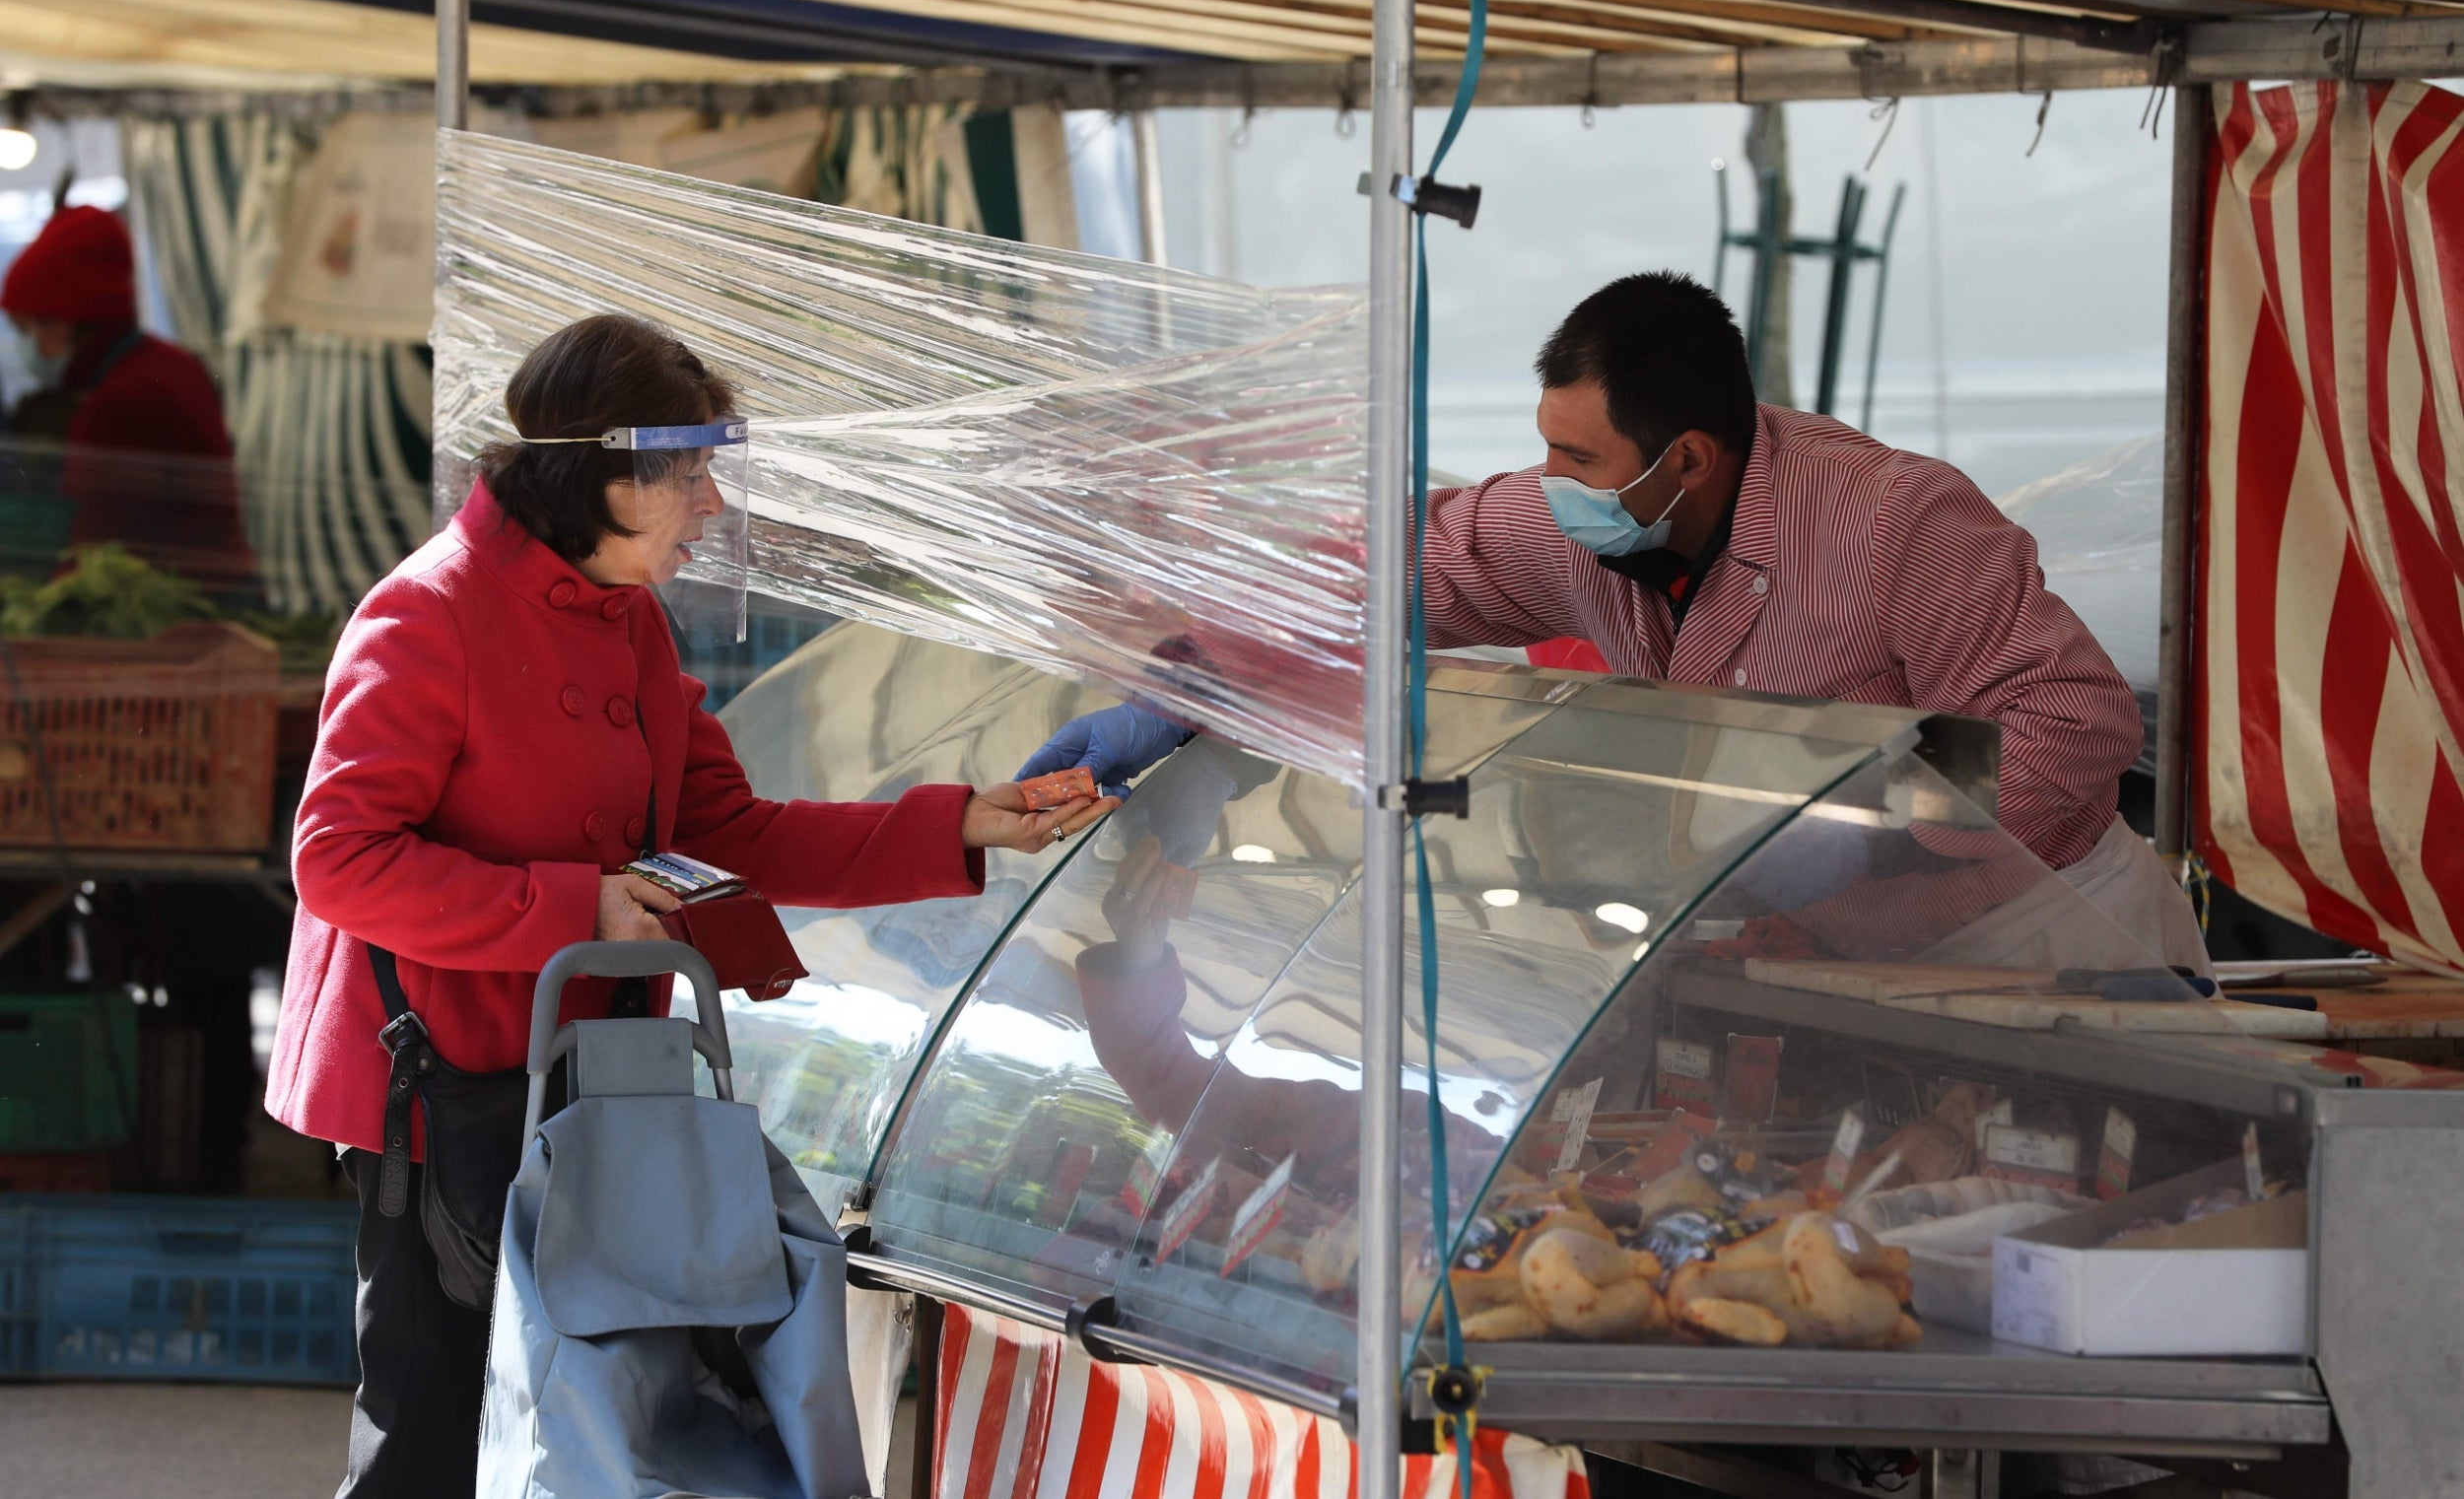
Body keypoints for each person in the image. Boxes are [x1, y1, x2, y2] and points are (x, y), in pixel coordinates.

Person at [264, 313, 1099, 1498]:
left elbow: (732, 834)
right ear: (607, 473)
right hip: (438, 1089)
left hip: (592, 1083)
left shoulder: (632, 623)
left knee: (584, 1419)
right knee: (436, 1429)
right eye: (692, 470)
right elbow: (339, 859)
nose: (711, 503)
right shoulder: (427, 614)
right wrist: (579, 907)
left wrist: (961, 820)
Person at [1023, 272, 2204, 972]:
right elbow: (1373, 577)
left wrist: (1884, 827)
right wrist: (1179, 689)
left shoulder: (1894, 519)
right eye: (1545, 445)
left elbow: (2071, 718)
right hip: (1834, 953)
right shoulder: (1576, 527)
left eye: (1577, 456)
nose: (1549, 478)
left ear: (1688, 457)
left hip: (2048, 938)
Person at [0, 204, 255, 596]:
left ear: (64, 320)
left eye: (31, 327)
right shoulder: (167, 364)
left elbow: (99, 554)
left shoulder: (121, 401)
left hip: (182, 610)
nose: (28, 346)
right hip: (217, 590)